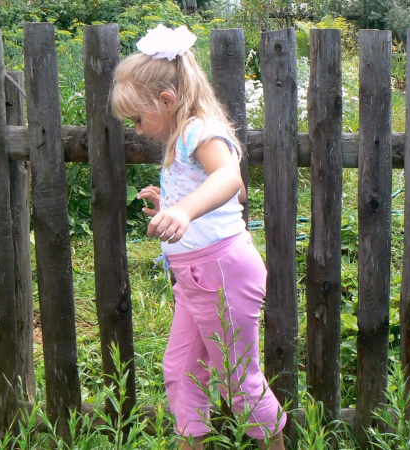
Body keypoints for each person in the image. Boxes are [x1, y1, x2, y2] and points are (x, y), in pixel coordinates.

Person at [109, 24, 287, 450]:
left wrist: (185, 209)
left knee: (236, 378)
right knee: (181, 369)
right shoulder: (181, 137)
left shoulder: (198, 129)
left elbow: (230, 178)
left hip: (220, 272)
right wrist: (172, 201)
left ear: (167, 101)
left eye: (137, 118)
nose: (135, 129)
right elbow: (235, 197)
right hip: (195, 277)